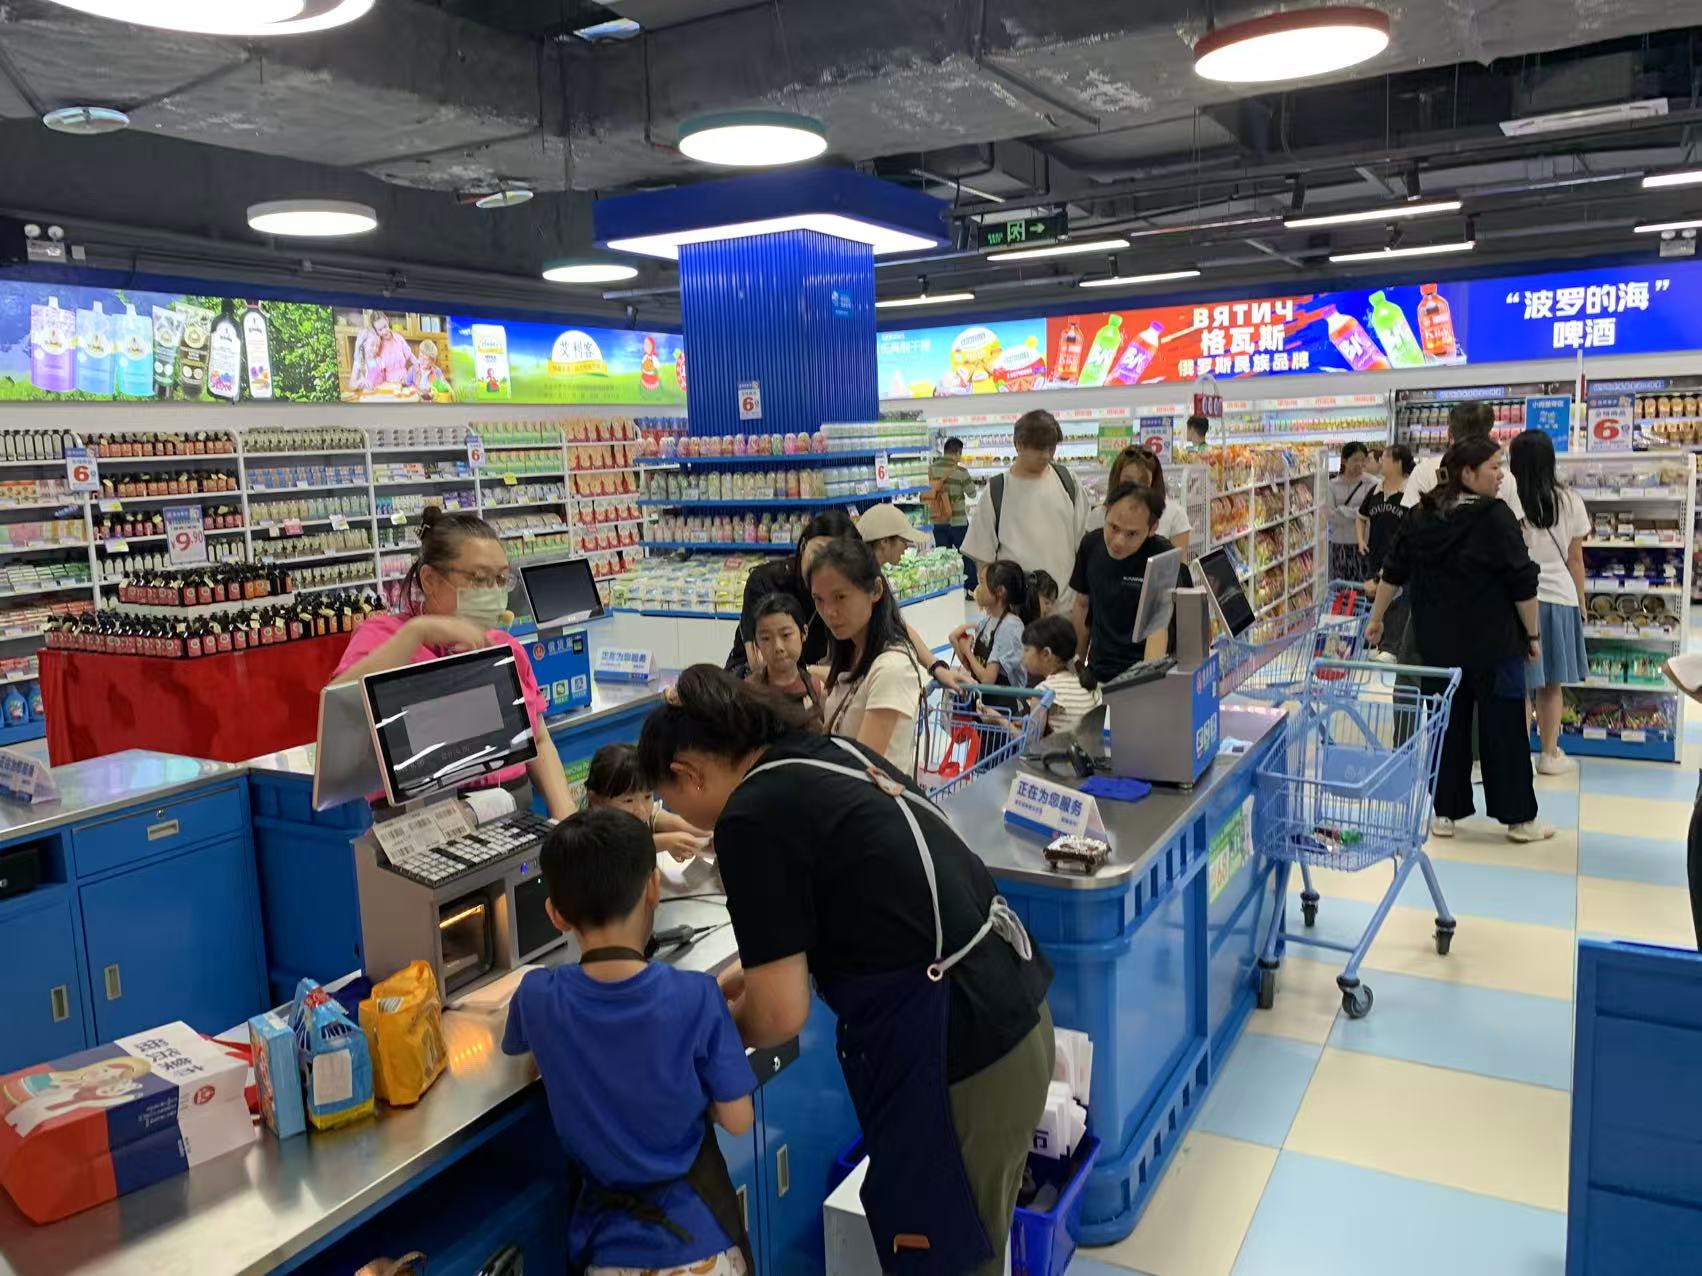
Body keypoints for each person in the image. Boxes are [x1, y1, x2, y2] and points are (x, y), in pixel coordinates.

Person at [635, 667, 1054, 1276]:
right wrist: (753, 981)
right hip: (1012, 1017)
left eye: (671, 800)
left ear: (689, 772)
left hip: (955, 1058)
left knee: (943, 1260)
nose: (682, 815)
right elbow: (862, 905)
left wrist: (705, 1027)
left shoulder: (749, 817)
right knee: (974, 1250)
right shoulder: (821, 752)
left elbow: (780, 1015)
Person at [501, 808, 757, 1275]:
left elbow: (538, 1058)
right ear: (653, 887)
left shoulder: (537, 997)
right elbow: (739, 1119)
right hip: (697, 1246)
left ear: (556, 914)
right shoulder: (696, 997)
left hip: (606, 1251)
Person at [329, 508, 573, 819]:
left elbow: (538, 738)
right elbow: (338, 710)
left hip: (509, 808)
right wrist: (417, 633)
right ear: (430, 579)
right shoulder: (386, 637)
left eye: (501, 579)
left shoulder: (504, 645)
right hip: (421, 818)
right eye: (479, 578)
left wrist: (566, 816)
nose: (493, 591)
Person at [1365, 437, 1553, 843]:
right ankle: (1519, 819)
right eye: (1494, 467)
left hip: (1438, 645)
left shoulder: (1420, 516)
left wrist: (1376, 619)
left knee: (1446, 727)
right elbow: (1523, 583)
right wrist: (1533, 634)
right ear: (1468, 473)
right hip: (1494, 645)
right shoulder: (1496, 517)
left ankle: (1445, 812)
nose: (1501, 475)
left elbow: (1392, 571)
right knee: (1504, 729)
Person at [1507, 429, 1589, 775]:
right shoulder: (1570, 501)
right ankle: (1550, 754)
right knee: (1552, 684)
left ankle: (1517, 755)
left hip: (1518, 600)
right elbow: (1575, 559)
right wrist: (1581, 602)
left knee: (1520, 686)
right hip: (1559, 596)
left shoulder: (1509, 500)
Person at [809, 537, 926, 773]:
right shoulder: (854, 651)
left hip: (869, 794)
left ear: (876, 591)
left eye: (840, 597)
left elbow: (862, 765)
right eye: (819, 600)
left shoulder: (892, 667)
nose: (829, 612)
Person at [963, 409, 1090, 611]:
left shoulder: (1068, 481)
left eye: (1051, 448)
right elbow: (983, 557)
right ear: (1018, 445)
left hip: (1065, 607)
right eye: (1039, 448)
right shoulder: (997, 490)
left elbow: (1084, 544)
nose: (1046, 455)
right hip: (1016, 612)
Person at [722, 510, 856, 677]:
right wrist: (816, 673)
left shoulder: (843, 591)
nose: (825, 565)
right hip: (752, 681)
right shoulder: (764, 582)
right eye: (819, 553)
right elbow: (762, 663)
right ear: (803, 546)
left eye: (838, 559)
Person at [1070, 483, 1175, 685]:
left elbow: (1158, 627)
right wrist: (1076, 670)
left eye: (1131, 534)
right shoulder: (1090, 545)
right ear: (1105, 512)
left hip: (1139, 675)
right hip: (1097, 672)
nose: (1118, 541)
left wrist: (1145, 683)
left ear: (1152, 528)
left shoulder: (1161, 556)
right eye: (1114, 528)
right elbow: (1082, 606)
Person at [585, 743, 713, 860]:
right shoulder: (588, 836)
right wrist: (666, 842)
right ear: (596, 801)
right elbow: (617, 848)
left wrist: (708, 831)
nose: (641, 809)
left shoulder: (638, 815)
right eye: (628, 800)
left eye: (647, 797)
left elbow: (659, 818)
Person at [1357, 442, 1414, 655]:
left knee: (1397, 604)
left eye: (1386, 457)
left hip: (1399, 564)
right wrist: (1361, 540)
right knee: (1375, 604)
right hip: (1375, 558)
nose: (1381, 460)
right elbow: (1361, 516)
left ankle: (1390, 649)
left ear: (1398, 462)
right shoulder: (1376, 490)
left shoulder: (1411, 494)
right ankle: (1375, 645)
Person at [1088, 445, 1191, 555]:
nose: (1134, 489)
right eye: (1127, 482)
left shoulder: (1174, 515)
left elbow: (1179, 563)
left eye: (1143, 483)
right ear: (1116, 481)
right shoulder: (1099, 515)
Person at [951, 560, 1039, 687]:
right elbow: (975, 670)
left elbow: (987, 679)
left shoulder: (1010, 626)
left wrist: (967, 651)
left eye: (982, 583)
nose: (978, 589)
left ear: (1000, 591)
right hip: (986, 697)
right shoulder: (986, 622)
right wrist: (955, 641)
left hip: (1005, 698)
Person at [743, 592, 824, 727]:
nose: (778, 647)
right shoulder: (748, 691)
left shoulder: (817, 688)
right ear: (756, 643)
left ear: (804, 632)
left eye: (786, 635)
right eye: (766, 638)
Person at [1020, 614, 1102, 737]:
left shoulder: (1043, 692)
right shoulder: (1084, 683)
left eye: (1027, 650)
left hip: (1062, 749)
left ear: (1046, 654)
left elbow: (1031, 741)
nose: (1023, 656)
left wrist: (1001, 721)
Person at [928, 436, 978, 593]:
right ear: (957, 453)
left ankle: (945, 590)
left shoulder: (931, 469)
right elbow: (972, 494)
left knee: (943, 558)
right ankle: (971, 589)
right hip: (958, 522)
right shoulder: (961, 472)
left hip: (938, 521)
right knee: (967, 556)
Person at [1328, 441, 1376, 582]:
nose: (1359, 464)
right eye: (1355, 460)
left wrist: (1341, 510)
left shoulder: (1372, 483)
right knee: (1339, 586)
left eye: (1363, 460)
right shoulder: (1332, 485)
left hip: (1363, 544)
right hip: (1338, 544)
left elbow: (1370, 513)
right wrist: (1358, 514)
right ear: (1344, 460)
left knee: (1361, 586)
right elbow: (1330, 515)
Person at [349, 310, 418, 392]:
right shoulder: (378, 343)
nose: (384, 331)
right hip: (388, 386)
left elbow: (410, 355)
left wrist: (419, 366)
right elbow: (371, 366)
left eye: (385, 327)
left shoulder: (399, 339)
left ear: (387, 320)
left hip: (404, 381)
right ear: (376, 330)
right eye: (380, 330)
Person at [856, 502, 928, 568]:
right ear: (884, 541)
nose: (906, 547)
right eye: (904, 541)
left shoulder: (869, 570)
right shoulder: (862, 576)